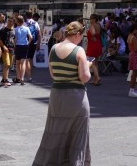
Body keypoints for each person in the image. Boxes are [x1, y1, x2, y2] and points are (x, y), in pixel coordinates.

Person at [32, 20, 91, 166]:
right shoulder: (79, 51)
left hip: (57, 95)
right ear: (77, 34)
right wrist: (88, 65)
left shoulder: (54, 49)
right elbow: (85, 77)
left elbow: (53, 75)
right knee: (77, 134)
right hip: (76, 97)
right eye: (81, 36)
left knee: (55, 132)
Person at [13, 14, 32, 85]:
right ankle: (22, 78)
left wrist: (14, 45)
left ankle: (18, 77)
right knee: (23, 62)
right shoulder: (26, 28)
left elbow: (14, 39)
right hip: (25, 46)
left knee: (17, 63)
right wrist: (28, 43)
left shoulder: (15, 29)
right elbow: (31, 37)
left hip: (18, 46)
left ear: (17, 22)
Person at [85, 15, 102, 86]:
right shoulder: (99, 25)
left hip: (92, 45)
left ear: (94, 19)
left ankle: (97, 77)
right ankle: (95, 80)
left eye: (91, 19)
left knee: (92, 62)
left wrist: (91, 35)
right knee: (96, 63)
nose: (90, 20)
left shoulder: (92, 26)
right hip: (98, 44)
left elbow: (93, 33)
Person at [0, 16, 15, 86]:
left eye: (11, 21)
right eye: (9, 21)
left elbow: (13, 39)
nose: (9, 22)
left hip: (11, 49)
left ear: (13, 22)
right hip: (5, 49)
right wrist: (3, 46)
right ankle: (5, 80)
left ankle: (3, 79)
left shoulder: (13, 30)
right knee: (7, 64)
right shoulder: (3, 30)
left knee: (9, 65)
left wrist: (14, 46)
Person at [25, 12, 41, 82]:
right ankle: (30, 74)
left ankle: (28, 76)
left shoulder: (24, 23)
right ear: (32, 16)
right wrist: (38, 44)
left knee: (27, 59)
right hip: (34, 43)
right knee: (31, 59)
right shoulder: (35, 23)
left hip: (26, 43)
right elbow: (39, 34)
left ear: (26, 16)